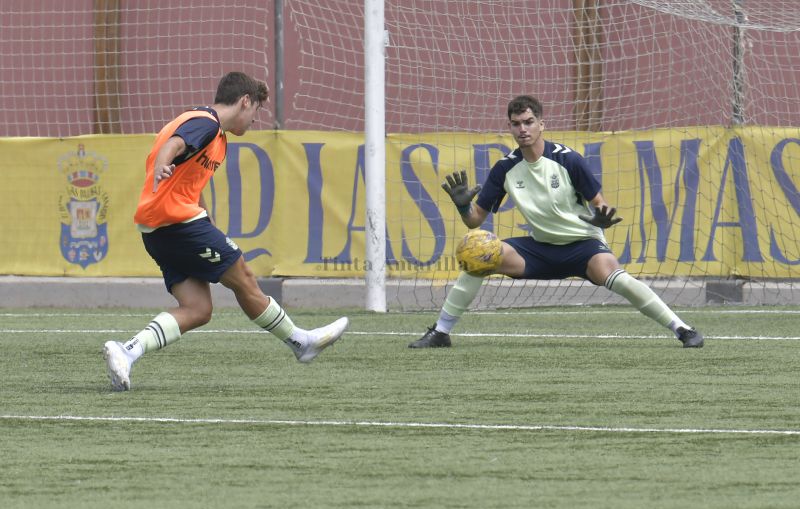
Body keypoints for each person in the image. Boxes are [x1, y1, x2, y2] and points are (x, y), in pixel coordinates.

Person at [103, 71, 348, 391]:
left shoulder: (217, 138)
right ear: (245, 101)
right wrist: (164, 163)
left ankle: (126, 352)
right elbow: (175, 145)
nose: (254, 121)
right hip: (176, 223)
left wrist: (207, 222)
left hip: (158, 230)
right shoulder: (207, 122)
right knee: (244, 277)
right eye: (256, 111)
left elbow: (191, 182)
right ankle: (300, 342)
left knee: (197, 309)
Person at [408, 94, 703, 349]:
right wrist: (463, 207)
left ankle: (682, 329)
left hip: (582, 246)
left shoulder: (568, 159)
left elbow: (600, 203)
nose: (523, 129)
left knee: (619, 278)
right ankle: (441, 333)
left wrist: (602, 217)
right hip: (539, 250)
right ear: (509, 127)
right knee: (477, 255)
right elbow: (475, 221)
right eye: (516, 123)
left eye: (528, 121)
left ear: (541, 124)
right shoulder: (505, 168)